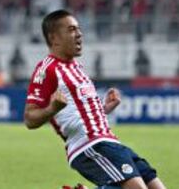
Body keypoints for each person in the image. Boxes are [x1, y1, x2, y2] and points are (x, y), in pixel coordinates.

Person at [23, 10, 166, 189]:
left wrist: (104, 109)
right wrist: (52, 108)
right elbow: (30, 119)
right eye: (71, 30)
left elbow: (79, 112)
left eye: (79, 29)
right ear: (54, 38)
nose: (79, 34)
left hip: (109, 141)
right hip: (89, 145)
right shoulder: (47, 70)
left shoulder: (77, 67)